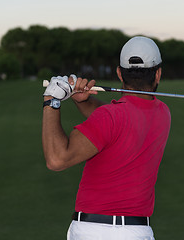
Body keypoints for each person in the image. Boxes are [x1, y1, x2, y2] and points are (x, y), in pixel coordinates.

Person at [42, 36, 171, 240]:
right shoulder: (163, 113)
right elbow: (120, 118)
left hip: (94, 232)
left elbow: (57, 159)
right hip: (138, 232)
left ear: (119, 73)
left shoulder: (111, 117)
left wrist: (51, 101)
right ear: (158, 74)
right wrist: (84, 101)